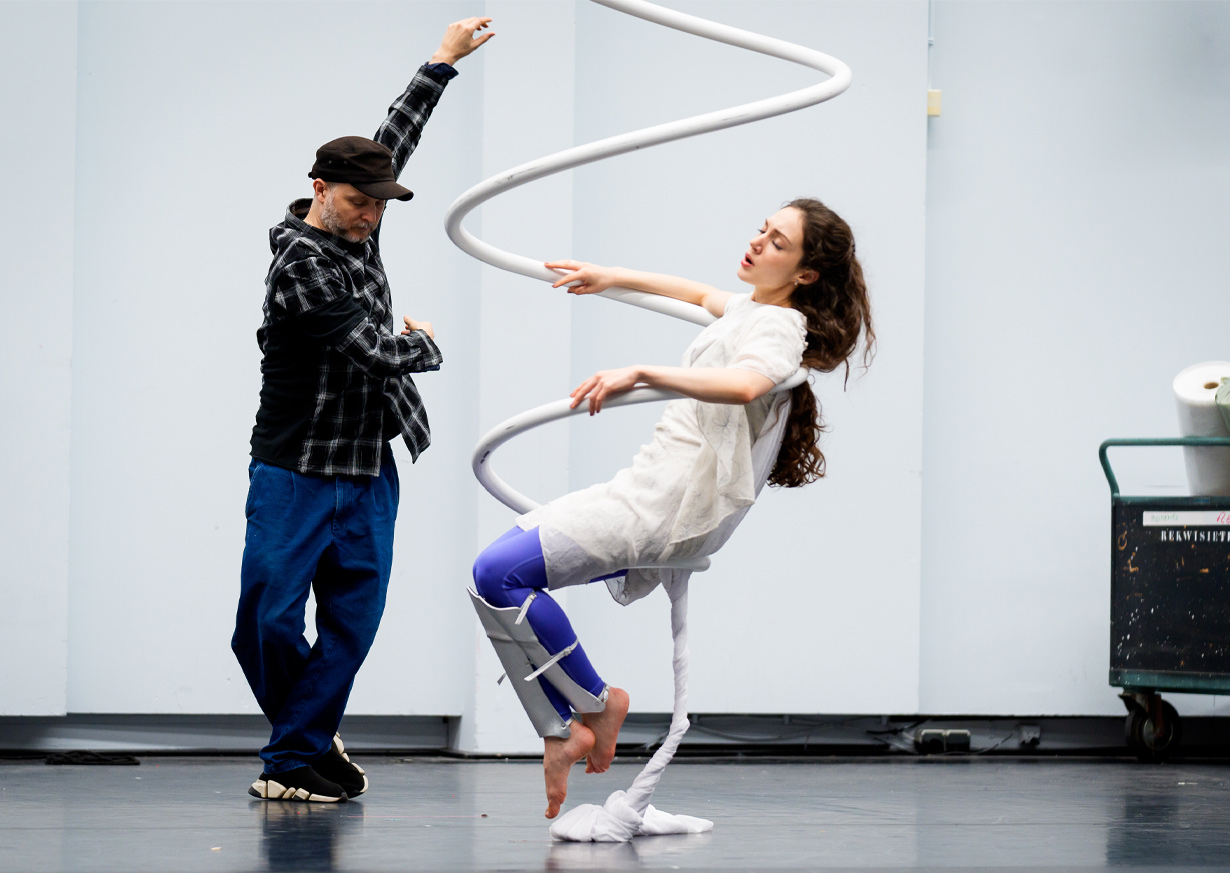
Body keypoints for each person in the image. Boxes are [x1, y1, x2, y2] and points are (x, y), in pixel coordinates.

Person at [469, 198, 875, 818]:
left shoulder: (780, 327)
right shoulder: (752, 309)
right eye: (761, 228)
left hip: (665, 505)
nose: (757, 241)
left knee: (497, 574)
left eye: (777, 242)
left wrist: (639, 371)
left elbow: (747, 384)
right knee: (497, 577)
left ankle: (585, 717)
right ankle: (572, 723)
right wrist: (610, 278)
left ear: (805, 275)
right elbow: (695, 294)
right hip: (647, 487)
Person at [232, 17, 494, 804]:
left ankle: (293, 753)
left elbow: (393, 138)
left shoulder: (362, 224)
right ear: (319, 190)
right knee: (266, 622)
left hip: (368, 464)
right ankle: (305, 733)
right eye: (357, 201)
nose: (372, 213)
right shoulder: (301, 264)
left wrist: (441, 61)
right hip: (297, 468)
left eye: (379, 202)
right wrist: (424, 341)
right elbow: (377, 352)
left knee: (353, 622)